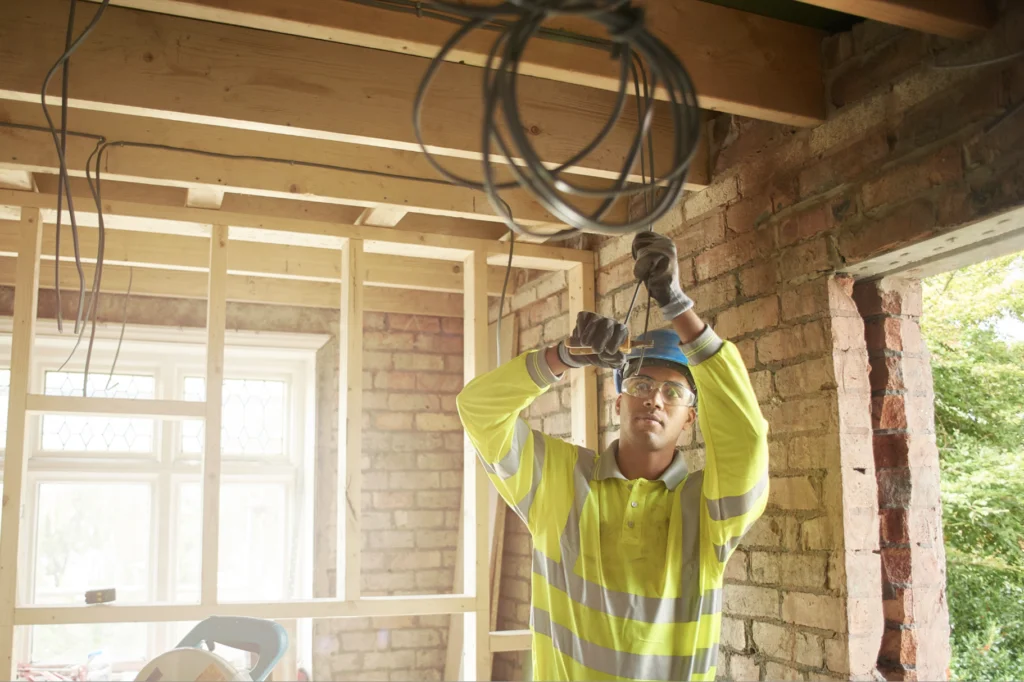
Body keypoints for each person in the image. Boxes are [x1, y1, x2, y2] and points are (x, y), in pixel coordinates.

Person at [456, 231, 769, 681]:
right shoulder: (559, 479)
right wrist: (563, 356)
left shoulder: (708, 510)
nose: (655, 400)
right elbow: (478, 409)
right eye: (640, 386)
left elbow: (747, 438)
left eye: (673, 392)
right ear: (619, 401)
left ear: (691, 417)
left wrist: (677, 305)